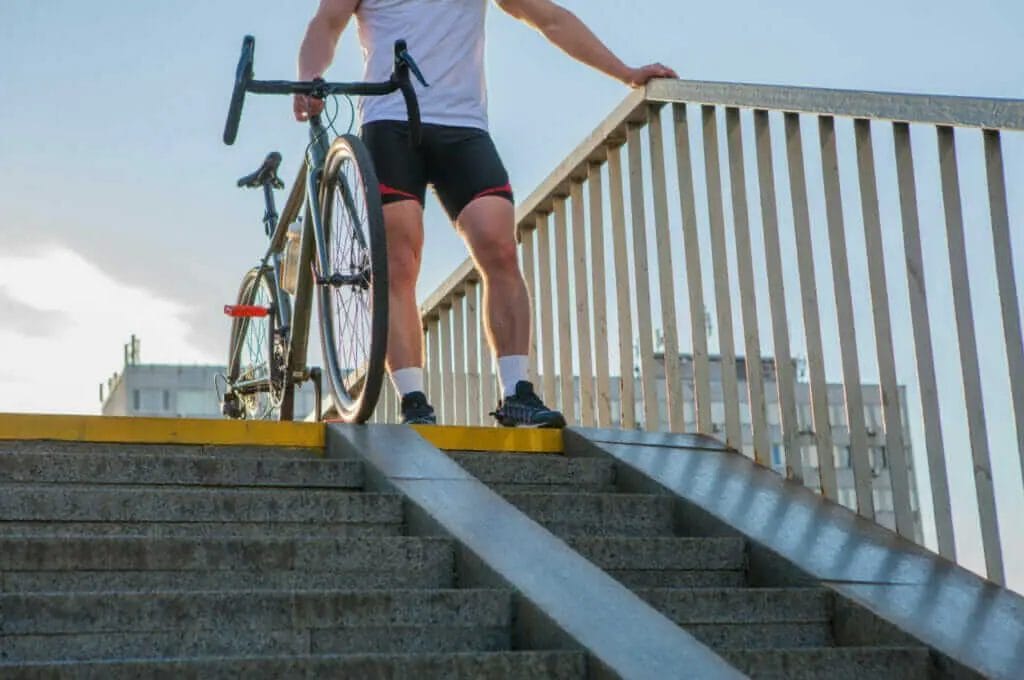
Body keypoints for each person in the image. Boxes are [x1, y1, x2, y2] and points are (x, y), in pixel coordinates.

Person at [294, 0, 677, 426]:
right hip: (390, 121)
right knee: (399, 260)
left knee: (499, 245)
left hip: (463, 126)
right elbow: (326, 25)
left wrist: (626, 72)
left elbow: (549, 18)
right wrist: (309, 77)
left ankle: (517, 393)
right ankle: (414, 401)